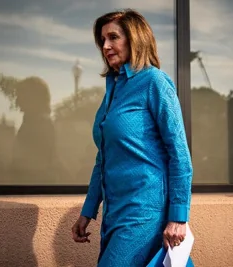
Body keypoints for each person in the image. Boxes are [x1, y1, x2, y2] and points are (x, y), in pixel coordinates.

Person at [71, 9, 194, 266]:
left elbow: (179, 153)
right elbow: (103, 158)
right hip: (114, 213)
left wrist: (179, 217)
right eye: (102, 40)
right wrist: (88, 211)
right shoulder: (113, 90)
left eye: (113, 37)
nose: (105, 46)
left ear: (135, 38)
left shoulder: (154, 82)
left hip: (144, 212)